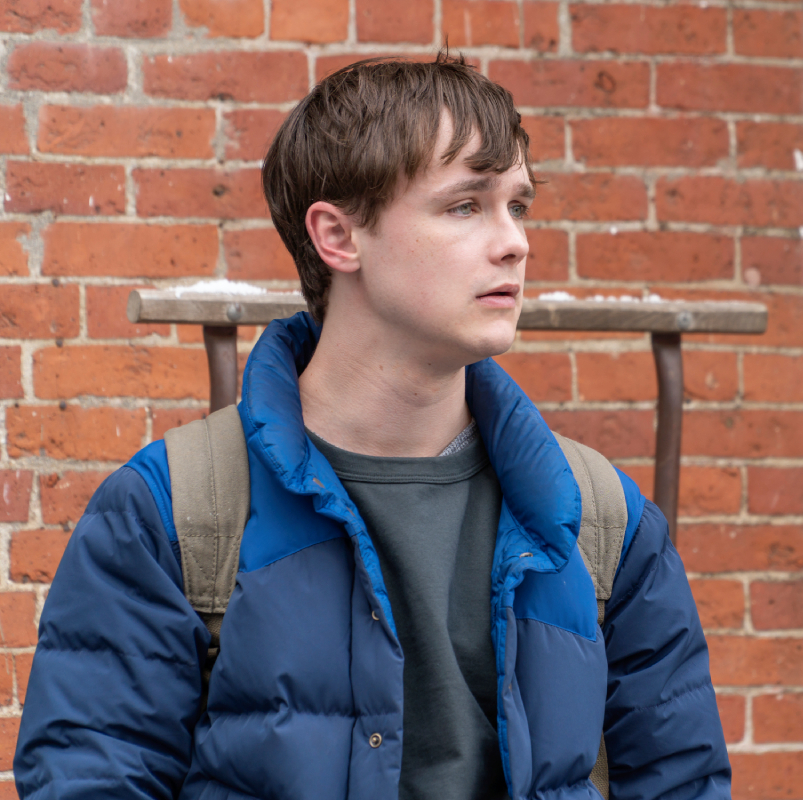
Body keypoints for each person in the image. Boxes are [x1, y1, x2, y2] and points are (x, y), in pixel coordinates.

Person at [13, 53, 731, 800]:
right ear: (339, 236)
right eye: (466, 206)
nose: (514, 240)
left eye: (518, 205)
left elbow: (682, 782)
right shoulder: (171, 514)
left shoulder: (603, 521)